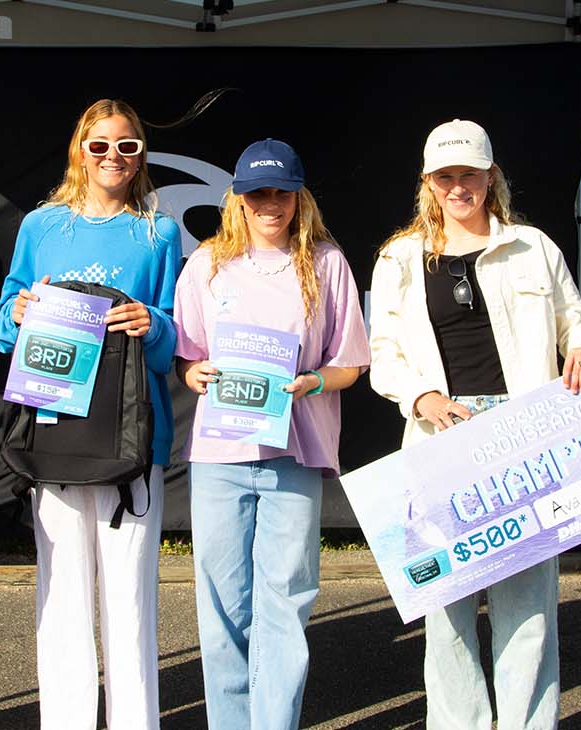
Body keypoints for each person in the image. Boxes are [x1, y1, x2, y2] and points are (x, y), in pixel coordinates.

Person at [368, 120, 581, 730]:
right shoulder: (398, 260)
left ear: (490, 176)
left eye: (469, 175)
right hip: (438, 443)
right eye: (445, 177)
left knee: (526, 604)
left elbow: (575, 322)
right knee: (446, 607)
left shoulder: (534, 247)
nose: (458, 188)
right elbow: (384, 352)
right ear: (428, 182)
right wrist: (420, 395)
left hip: (522, 439)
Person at [0, 99, 182, 730]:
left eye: (127, 146)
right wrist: (15, 317)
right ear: (80, 150)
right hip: (55, 433)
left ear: (141, 155)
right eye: (101, 146)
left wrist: (151, 324)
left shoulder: (159, 232)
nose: (113, 159)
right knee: (63, 598)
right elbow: (1, 325)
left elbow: (176, 339)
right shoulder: (41, 227)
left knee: (128, 601)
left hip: (132, 438)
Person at [174, 139, 370, 730]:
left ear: (298, 197)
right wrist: (194, 372)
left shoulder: (327, 262)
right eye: (257, 192)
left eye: (281, 192)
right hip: (220, 455)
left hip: (295, 452)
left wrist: (313, 381)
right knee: (222, 607)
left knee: (285, 603)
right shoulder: (206, 264)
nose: (269, 203)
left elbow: (351, 364)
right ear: (236, 197)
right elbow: (187, 358)